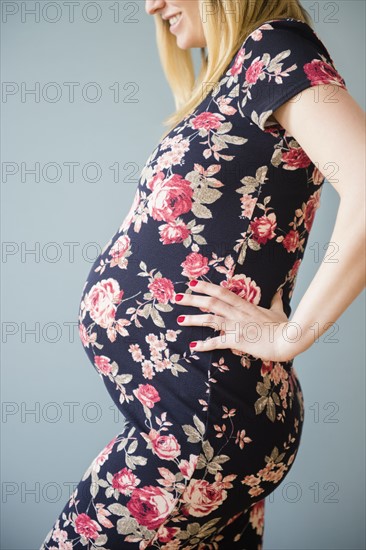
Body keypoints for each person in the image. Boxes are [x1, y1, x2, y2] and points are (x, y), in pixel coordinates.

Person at [39, 1, 365, 549]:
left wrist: (293, 334)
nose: (152, 4)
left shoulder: (277, 49)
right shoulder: (243, 68)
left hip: (200, 422)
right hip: (201, 420)